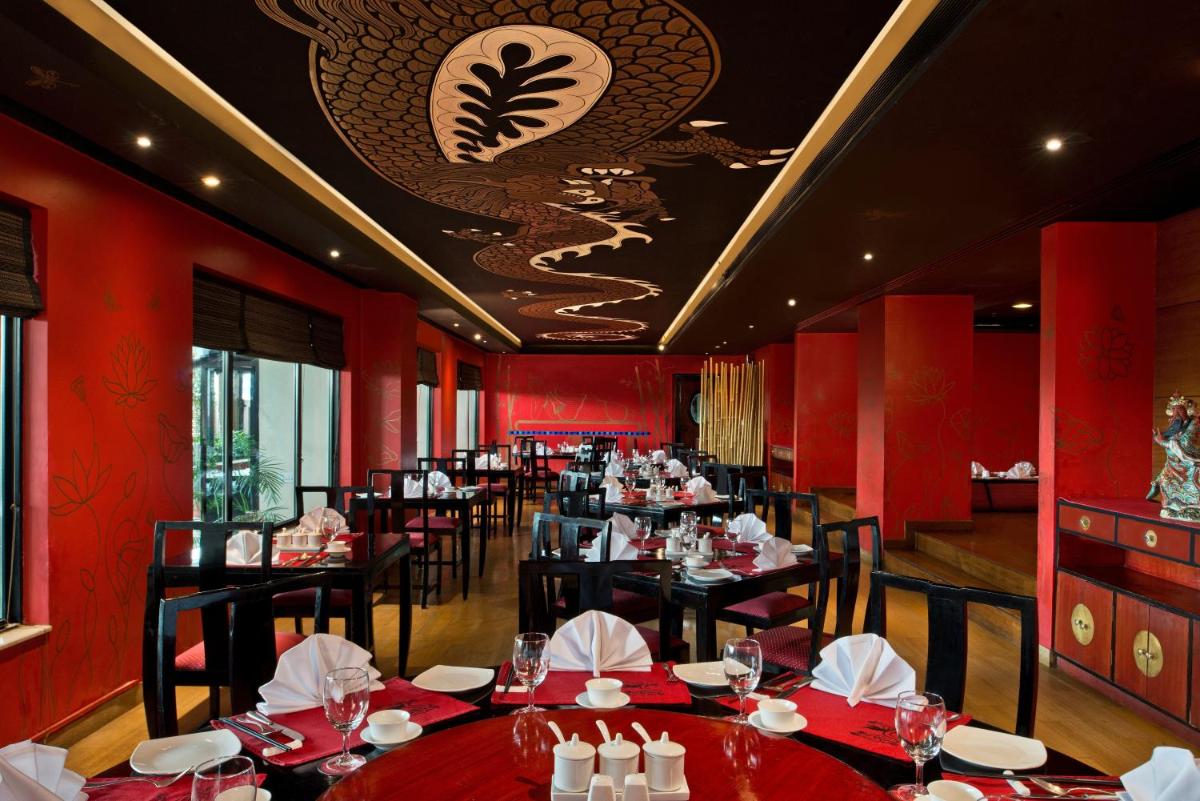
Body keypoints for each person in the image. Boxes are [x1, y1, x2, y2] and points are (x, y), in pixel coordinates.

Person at [1148, 393, 1200, 520]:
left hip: (1190, 462)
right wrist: (1159, 439)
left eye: (1180, 410)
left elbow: (1186, 443)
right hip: (1173, 465)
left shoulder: (1193, 424)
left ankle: (1194, 508)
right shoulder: (1175, 426)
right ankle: (1172, 506)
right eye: (1174, 411)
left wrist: (1163, 442)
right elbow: (1170, 441)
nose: (1177, 414)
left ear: (1186, 411)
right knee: (1165, 480)